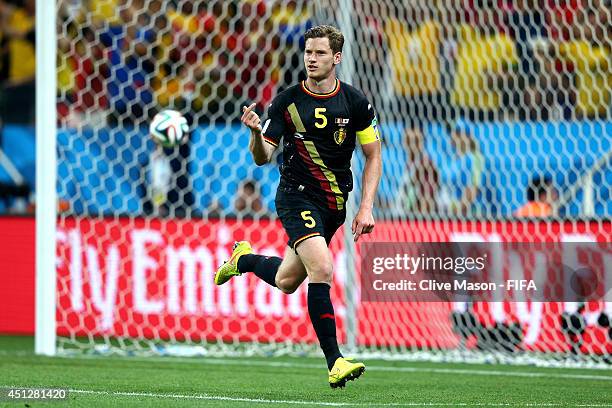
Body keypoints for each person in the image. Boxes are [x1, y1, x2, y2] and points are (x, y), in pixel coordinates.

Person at [214, 25, 382, 388]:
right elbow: (263, 158)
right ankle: (335, 361)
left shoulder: (355, 103)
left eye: (320, 53)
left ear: (336, 58)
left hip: (335, 204)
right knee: (322, 267)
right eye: (308, 52)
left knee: (287, 281)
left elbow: (373, 154)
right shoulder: (287, 102)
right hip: (296, 195)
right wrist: (255, 134)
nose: (312, 58)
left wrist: (365, 207)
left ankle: (242, 259)